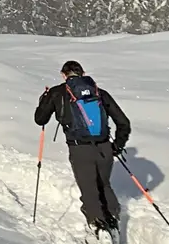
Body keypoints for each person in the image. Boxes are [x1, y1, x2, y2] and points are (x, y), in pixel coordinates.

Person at [34, 59, 132, 235]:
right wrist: (117, 145)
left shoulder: (57, 93)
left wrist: (44, 99)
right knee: (104, 185)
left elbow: (40, 119)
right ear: (83, 73)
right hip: (104, 148)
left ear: (64, 75)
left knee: (89, 189)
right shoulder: (99, 93)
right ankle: (113, 221)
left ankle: (99, 228)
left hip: (79, 149)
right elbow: (123, 122)